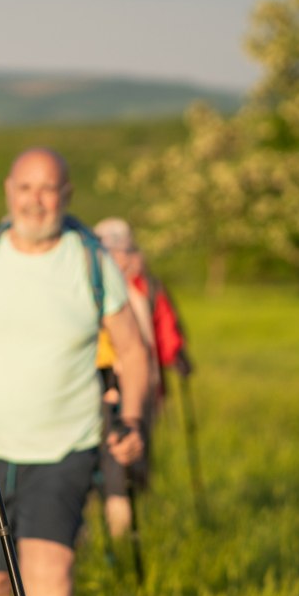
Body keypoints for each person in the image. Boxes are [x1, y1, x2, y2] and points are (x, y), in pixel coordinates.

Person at [0, 147, 150, 596]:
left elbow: (132, 354)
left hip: (66, 447)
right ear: (9, 190)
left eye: (49, 189)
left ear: (67, 196)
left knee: (50, 570)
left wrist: (130, 422)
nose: (37, 201)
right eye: (26, 188)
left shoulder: (91, 261)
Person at [93, 216, 192, 539]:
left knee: (137, 450)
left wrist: (176, 356)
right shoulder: (91, 287)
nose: (117, 258)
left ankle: (130, 513)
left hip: (144, 386)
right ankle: (106, 515)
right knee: (103, 457)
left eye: (122, 250)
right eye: (108, 251)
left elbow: (165, 329)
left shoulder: (146, 287)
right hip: (99, 387)